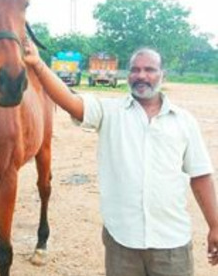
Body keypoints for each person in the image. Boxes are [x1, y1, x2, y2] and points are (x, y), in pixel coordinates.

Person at [23, 42, 218, 276]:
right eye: (135, 70)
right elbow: (69, 101)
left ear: (162, 74)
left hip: (172, 245)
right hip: (122, 245)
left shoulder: (184, 122)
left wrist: (215, 225)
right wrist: (37, 64)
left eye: (149, 69)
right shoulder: (110, 112)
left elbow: (200, 176)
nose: (141, 75)